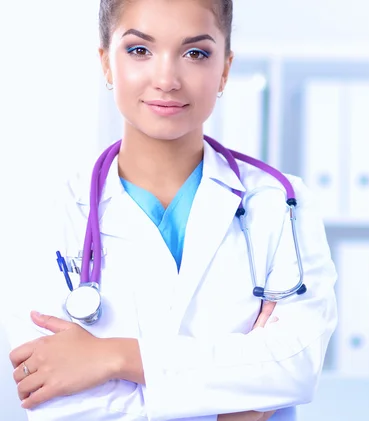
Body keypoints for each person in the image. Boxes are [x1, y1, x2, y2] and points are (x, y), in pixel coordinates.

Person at [0, 0, 338, 420]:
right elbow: (59, 403)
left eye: (195, 53)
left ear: (225, 70)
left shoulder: (280, 203)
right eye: (139, 50)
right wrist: (237, 392)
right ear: (106, 63)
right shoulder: (50, 215)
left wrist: (115, 358)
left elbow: (297, 368)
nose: (167, 79)